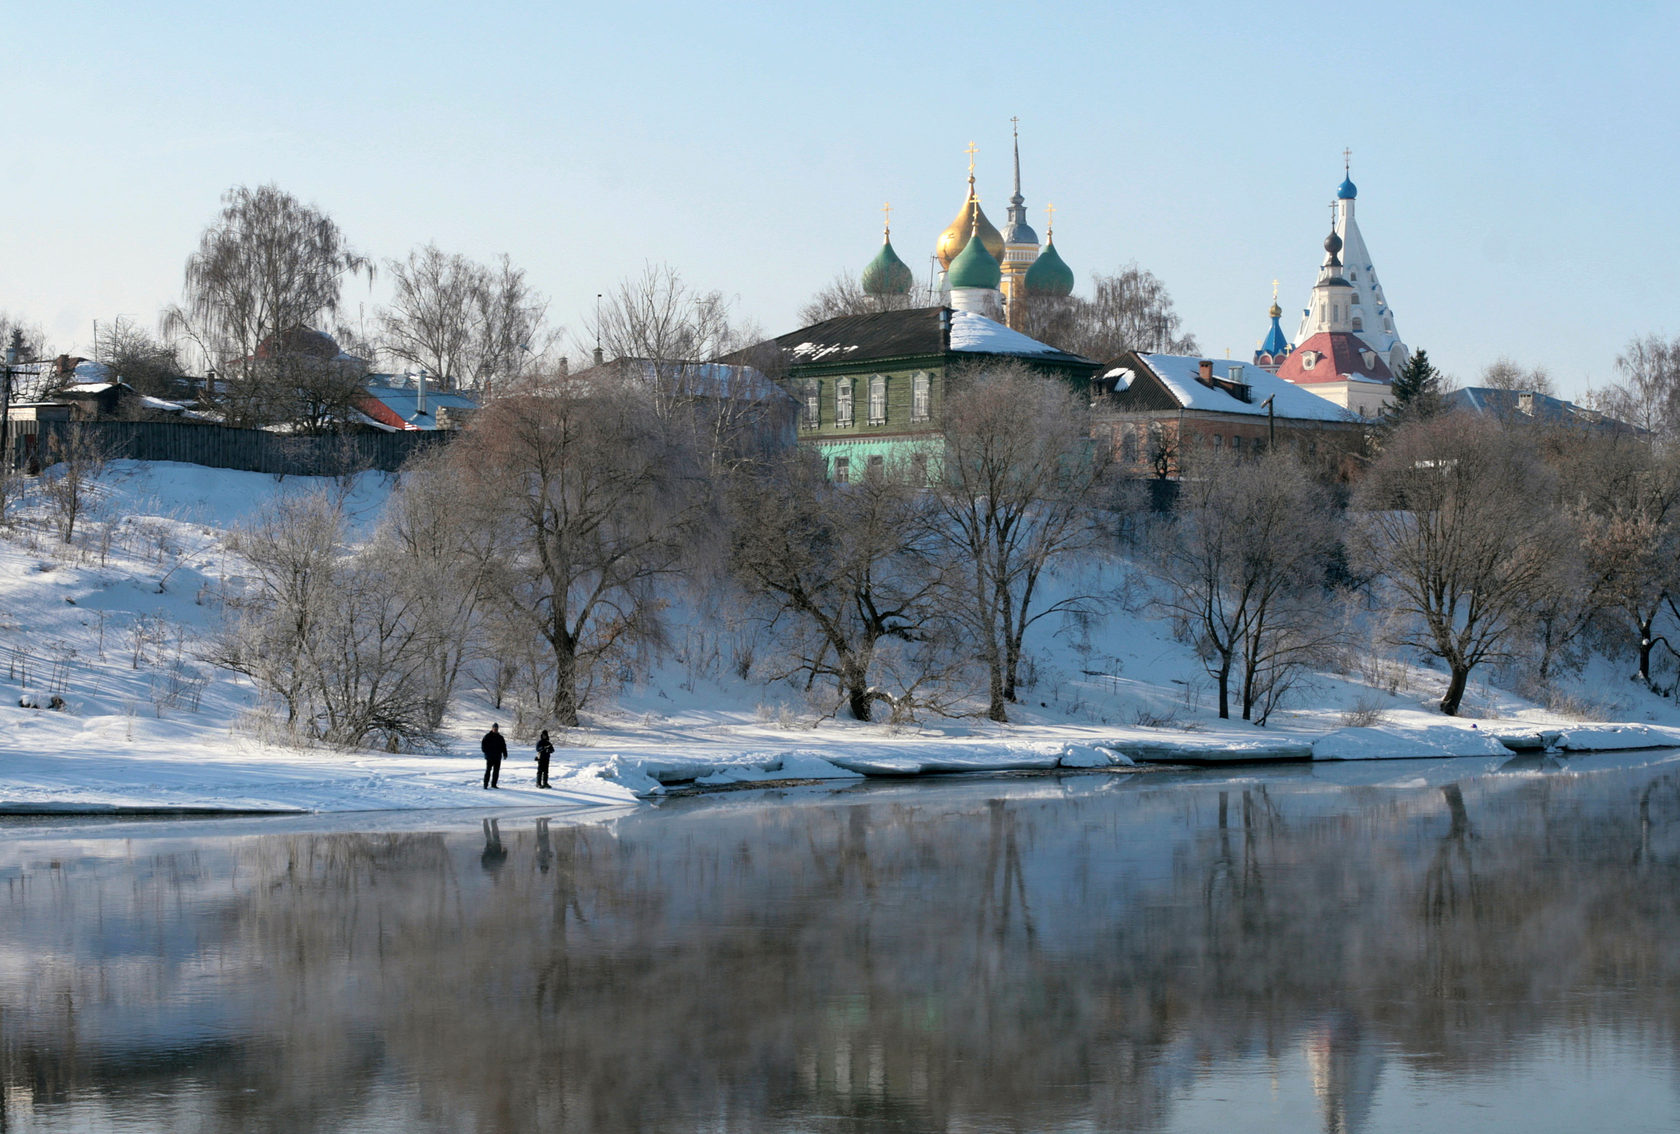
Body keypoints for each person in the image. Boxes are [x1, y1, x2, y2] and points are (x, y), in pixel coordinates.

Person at [481, 722, 508, 789]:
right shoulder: (487, 736)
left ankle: (494, 784)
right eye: (494, 728)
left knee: (496, 771)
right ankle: (485, 784)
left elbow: (503, 746)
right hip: (490, 757)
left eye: (496, 728)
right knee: (488, 771)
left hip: (497, 757)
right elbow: (483, 746)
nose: (495, 729)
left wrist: (505, 754)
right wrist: (486, 752)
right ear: (492, 728)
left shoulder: (500, 737)